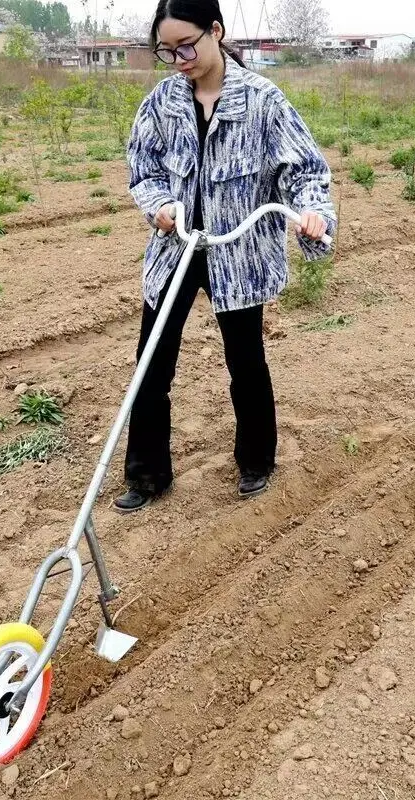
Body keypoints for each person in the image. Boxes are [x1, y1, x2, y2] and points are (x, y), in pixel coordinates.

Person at [113, 0, 337, 514]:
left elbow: (304, 170)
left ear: (216, 30)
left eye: (186, 45)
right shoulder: (162, 103)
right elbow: (143, 170)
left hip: (236, 252)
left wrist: (311, 213)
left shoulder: (263, 101)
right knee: (152, 362)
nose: (178, 59)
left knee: (245, 359)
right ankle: (147, 476)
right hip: (177, 248)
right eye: (166, 51)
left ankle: (256, 461)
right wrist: (160, 207)